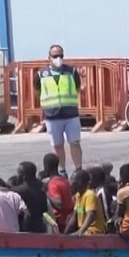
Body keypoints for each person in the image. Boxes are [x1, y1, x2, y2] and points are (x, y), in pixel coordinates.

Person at [35, 44, 82, 174]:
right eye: (55, 56)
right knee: (57, 145)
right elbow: (38, 92)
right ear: (49, 57)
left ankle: (78, 170)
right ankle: (61, 171)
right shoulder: (41, 74)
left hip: (71, 114)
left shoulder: (71, 72)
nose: (58, 58)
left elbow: (77, 88)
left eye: (61, 56)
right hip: (52, 115)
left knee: (75, 142)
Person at [69, 168, 106, 235]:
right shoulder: (78, 196)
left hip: (94, 232)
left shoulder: (89, 195)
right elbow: (75, 216)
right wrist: (64, 234)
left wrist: (80, 231)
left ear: (79, 183)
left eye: (72, 182)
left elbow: (90, 215)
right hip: (84, 231)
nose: (70, 185)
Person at [14, 161, 48, 233]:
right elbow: (44, 209)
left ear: (23, 176)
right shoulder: (41, 189)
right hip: (40, 228)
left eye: (19, 174)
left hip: (25, 229)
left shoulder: (18, 191)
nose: (17, 176)